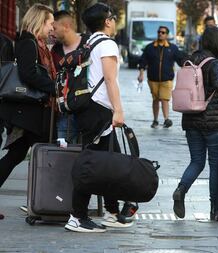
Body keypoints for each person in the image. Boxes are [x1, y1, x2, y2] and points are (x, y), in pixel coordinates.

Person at [65, 3, 133, 233]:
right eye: (113, 18)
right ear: (107, 21)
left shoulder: (89, 42)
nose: (114, 21)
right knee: (92, 164)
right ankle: (77, 216)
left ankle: (113, 212)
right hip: (99, 110)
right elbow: (110, 80)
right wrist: (119, 110)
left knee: (110, 161)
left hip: (88, 108)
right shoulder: (107, 44)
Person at [172, 26, 218, 220]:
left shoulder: (190, 59)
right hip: (212, 121)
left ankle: (181, 189)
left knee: (196, 161)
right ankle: (215, 208)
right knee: (215, 165)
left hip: (190, 118)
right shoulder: (213, 63)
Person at [0, 3, 56, 200]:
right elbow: (28, 73)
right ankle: (50, 200)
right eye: (50, 23)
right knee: (49, 152)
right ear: (40, 21)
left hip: (28, 110)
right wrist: (54, 87)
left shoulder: (37, 44)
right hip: (25, 110)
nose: (52, 27)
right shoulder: (27, 42)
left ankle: (45, 200)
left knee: (16, 155)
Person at [51, 10, 89, 144]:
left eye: (54, 28)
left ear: (66, 26)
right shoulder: (55, 50)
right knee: (63, 154)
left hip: (88, 110)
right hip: (65, 114)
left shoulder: (88, 43)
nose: (51, 32)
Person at [137, 26, 186, 128]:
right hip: (153, 79)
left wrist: (188, 65)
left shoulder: (172, 48)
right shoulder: (150, 47)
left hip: (167, 79)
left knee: (164, 99)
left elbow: (181, 60)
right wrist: (141, 73)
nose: (160, 34)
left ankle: (166, 119)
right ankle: (155, 120)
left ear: (167, 35)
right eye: (159, 32)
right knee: (155, 99)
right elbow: (143, 61)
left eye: (163, 32)